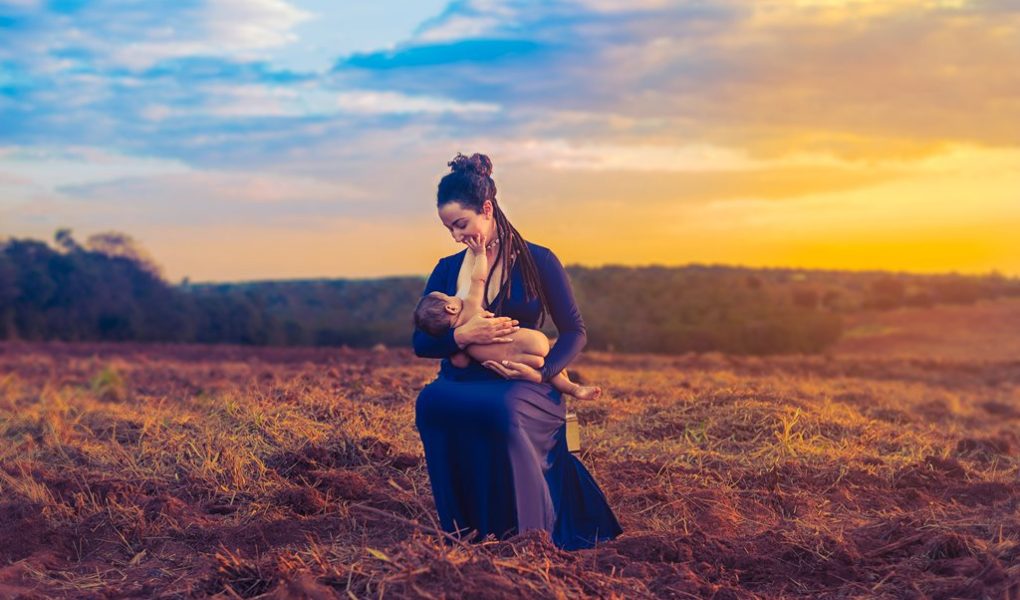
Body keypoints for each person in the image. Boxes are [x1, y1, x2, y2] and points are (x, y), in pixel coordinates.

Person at [413, 152, 623, 550]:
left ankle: (528, 536)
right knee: (431, 402)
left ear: (487, 209)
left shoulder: (538, 260)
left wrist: (543, 375)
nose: (456, 236)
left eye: (461, 224)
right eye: (449, 228)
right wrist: (462, 336)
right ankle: (463, 529)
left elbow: (575, 331)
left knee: (501, 410)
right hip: (461, 377)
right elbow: (420, 342)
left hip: (525, 382)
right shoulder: (446, 268)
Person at [412, 230, 602, 401]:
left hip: (513, 361)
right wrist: (480, 255)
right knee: (544, 365)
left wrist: (459, 342)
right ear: (451, 309)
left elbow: (459, 363)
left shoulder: (461, 344)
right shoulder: (469, 308)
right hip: (531, 342)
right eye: (449, 297)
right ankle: (574, 388)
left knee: (539, 365)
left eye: (460, 224)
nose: (453, 295)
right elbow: (478, 279)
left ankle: (569, 386)